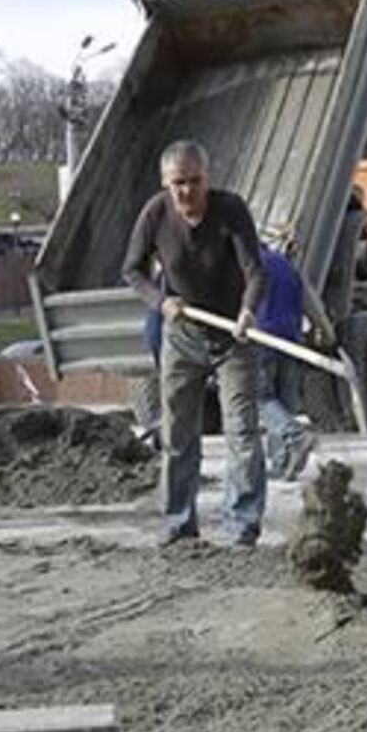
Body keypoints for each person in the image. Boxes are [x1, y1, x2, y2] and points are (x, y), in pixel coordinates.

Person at [123, 140, 268, 548]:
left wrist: (248, 311)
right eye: (178, 183)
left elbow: (255, 271)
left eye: (195, 181)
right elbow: (131, 270)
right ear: (166, 183)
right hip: (182, 336)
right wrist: (161, 301)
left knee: (242, 431)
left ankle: (242, 523)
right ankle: (178, 521)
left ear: (208, 178)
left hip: (232, 336)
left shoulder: (230, 210)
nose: (187, 191)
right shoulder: (156, 213)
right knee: (178, 433)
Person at [253, 245, 317, 481]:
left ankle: (295, 436)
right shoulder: (285, 264)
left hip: (261, 337)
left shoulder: (248, 263)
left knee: (259, 397)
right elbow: (307, 298)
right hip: (291, 338)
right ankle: (282, 463)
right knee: (284, 401)